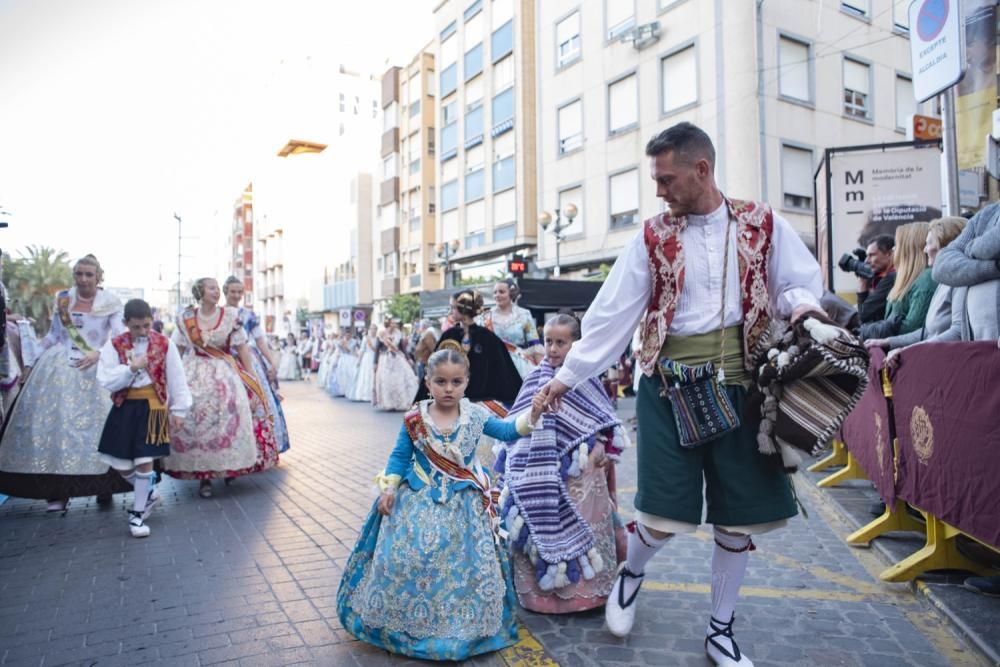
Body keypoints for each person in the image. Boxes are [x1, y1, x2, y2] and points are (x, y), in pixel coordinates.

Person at [535, 122, 825, 666]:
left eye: (667, 179)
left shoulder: (764, 223)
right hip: (669, 390)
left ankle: (720, 631)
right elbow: (612, 314)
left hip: (744, 388)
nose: (660, 190)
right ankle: (632, 572)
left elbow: (795, 282)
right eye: (656, 180)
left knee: (738, 520)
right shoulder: (650, 236)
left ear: (702, 170)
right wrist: (566, 376)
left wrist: (805, 306)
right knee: (661, 516)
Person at [337, 347, 545, 661]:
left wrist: (535, 413)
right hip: (416, 502)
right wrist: (389, 489)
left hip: (464, 506)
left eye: (456, 382)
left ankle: (460, 628)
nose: (449, 388)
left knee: (462, 574)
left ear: (467, 382)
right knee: (409, 561)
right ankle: (409, 626)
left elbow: (506, 430)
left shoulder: (476, 414)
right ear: (428, 381)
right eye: (441, 381)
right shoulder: (414, 418)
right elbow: (399, 458)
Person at [497, 313, 628, 613]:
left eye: (561, 343)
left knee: (584, 525)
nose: (553, 349)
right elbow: (516, 424)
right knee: (542, 520)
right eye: (548, 342)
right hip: (538, 473)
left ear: (576, 345)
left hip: (581, 473)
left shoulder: (586, 378)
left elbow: (604, 420)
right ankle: (540, 596)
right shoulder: (533, 378)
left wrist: (602, 449)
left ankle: (586, 594)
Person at [0, 255, 129, 512]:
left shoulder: (111, 302)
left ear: (98, 277)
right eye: (79, 274)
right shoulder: (63, 299)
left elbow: (119, 338)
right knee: (57, 430)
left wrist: (99, 353)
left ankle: (106, 487)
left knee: (101, 430)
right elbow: (53, 336)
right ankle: (57, 493)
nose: (83, 280)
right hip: (59, 367)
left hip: (96, 369)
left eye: (89, 275)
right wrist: (30, 362)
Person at [929, 201, 1000, 599]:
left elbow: (973, 251)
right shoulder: (988, 213)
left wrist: (970, 251)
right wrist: (992, 263)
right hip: (986, 366)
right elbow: (944, 267)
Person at [162, 278, 271, 498]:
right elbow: (178, 350)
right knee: (195, 424)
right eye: (211, 288)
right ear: (200, 292)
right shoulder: (187, 318)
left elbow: (242, 348)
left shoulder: (230, 317)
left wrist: (250, 376)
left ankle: (229, 466)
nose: (216, 291)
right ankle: (204, 477)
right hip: (193, 373)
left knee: (227, 420)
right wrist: (168, 379)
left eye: (216, 288)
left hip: (224, 374)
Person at [96, 299, 192, 537]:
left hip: (153, 407)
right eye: (136, 327)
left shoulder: (163, 343)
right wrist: (131, 368)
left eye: (146, 326)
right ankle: (148, 493)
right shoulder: (114, 345)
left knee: (144, 459)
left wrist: (179, 410)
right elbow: (106, 378)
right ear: (126, 323)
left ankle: (137, 515)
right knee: (118, 462)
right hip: (125, 406)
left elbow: (176, 377)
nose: (142, 331)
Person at [865, 217, 967, 361]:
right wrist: (888, 341)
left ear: (946, 246)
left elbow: (956, 331)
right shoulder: (943, 280)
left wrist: (905, 348)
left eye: (930, 242)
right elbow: (929, 331)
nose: (925, 249)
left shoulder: (931, 279)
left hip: (942, 360)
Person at [415, 290, 523, 406]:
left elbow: (504, 372)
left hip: (480, 404)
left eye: (453, 307)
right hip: (450, 399)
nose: (450, 311)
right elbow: (434, 366)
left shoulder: (487, 338)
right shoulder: (450, 335)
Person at [223, 277, 290, 454]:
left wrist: (271, 362)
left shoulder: (248, 315)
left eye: (239, 292)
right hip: (225, 361)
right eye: (233, 291)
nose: (236, 295)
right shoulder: (219, 314)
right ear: (225, 292)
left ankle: (260, 448)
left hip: (249, 361)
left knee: (259, 400)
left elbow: (260, 341)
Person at [860, 223, 937, 340]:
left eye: (897, 245)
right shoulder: (911, 279)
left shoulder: (925, 280)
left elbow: (911, 327)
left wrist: (869, 332)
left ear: (909, 249)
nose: (894, 250)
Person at [479, 279, 543, 378]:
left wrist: (542, 373)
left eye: (501, 292)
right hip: (493, 365)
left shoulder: (524, 314)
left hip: (519, 365)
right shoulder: (485, 316)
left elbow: (534, 345)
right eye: (495, 292)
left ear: (511, 294)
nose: (497, 295)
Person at [374, 318, 418, 411]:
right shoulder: (382, 334)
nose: (395, 324)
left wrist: (408, 358)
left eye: (395, 323)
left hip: (397, 358)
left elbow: (402, 347)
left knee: (400, 380)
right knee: (387, 381)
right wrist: (375, 362)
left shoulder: (398, 333)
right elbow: (377, 349)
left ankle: (400, 402)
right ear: (388, 324)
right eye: (393, 323)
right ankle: (388, 403)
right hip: (385, 359)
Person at [856, 235, 896, 324]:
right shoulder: (882, 276)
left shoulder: (891, 278)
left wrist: (862, 284)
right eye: (867, 256)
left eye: (871, 255)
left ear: (889, 254)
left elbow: (863, 315)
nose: (866, 261)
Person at [348, 324, 378, 403]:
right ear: (369, 329)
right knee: (366, 376)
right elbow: (362, 350)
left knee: (374, 376)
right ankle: (365, 395)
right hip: (367, 358)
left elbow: (378, 350)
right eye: (372, 329)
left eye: (375, 329)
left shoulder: (378, 338)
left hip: (375, 357)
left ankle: (374, 395)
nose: (373, 330)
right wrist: (359, 361)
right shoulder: (366, 338)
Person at [412, 318, 440, 384]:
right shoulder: (427, 333)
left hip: (423, 361)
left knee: (423, 382)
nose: (419, 327)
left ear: (423, 326)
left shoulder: (428, 334)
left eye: (420, 326)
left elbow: (433, 348)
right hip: (422, 361)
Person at [334, 331, 360, 399]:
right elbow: (339, 351)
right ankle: (342, 390)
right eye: (346, 335)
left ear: (351, 335)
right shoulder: (340, 341)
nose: (348, 336)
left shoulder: (354, 341)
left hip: (351, 358)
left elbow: (351, 350)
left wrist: (344, 345)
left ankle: (348, 390)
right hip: (342, 359)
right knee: (341, 374)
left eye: (349, 335)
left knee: (349, 374)